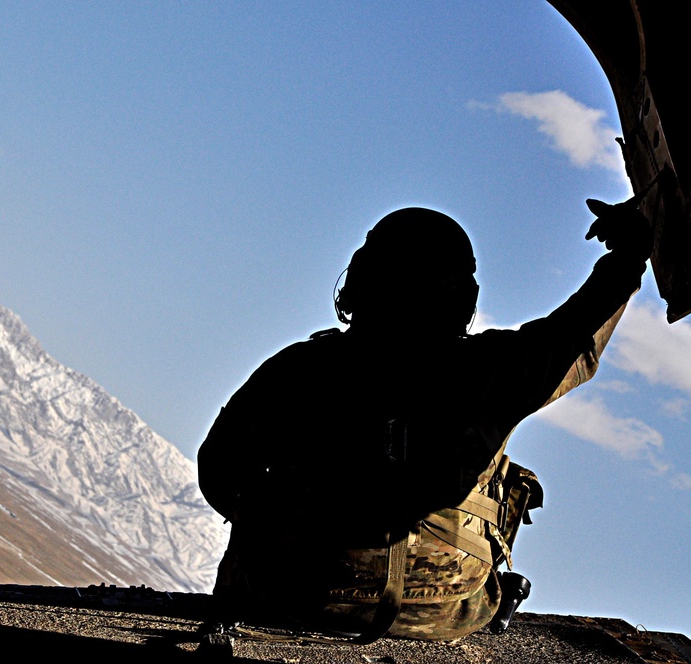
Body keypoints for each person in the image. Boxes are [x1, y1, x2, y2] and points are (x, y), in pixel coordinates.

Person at [197, 201, 652, 641]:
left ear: (358, 281)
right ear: (461, 298)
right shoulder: (494, 370)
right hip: (443, 612)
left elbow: (216, 470)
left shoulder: (297, 368)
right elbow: (576, 336)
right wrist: (628, 254)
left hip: (286, 596)